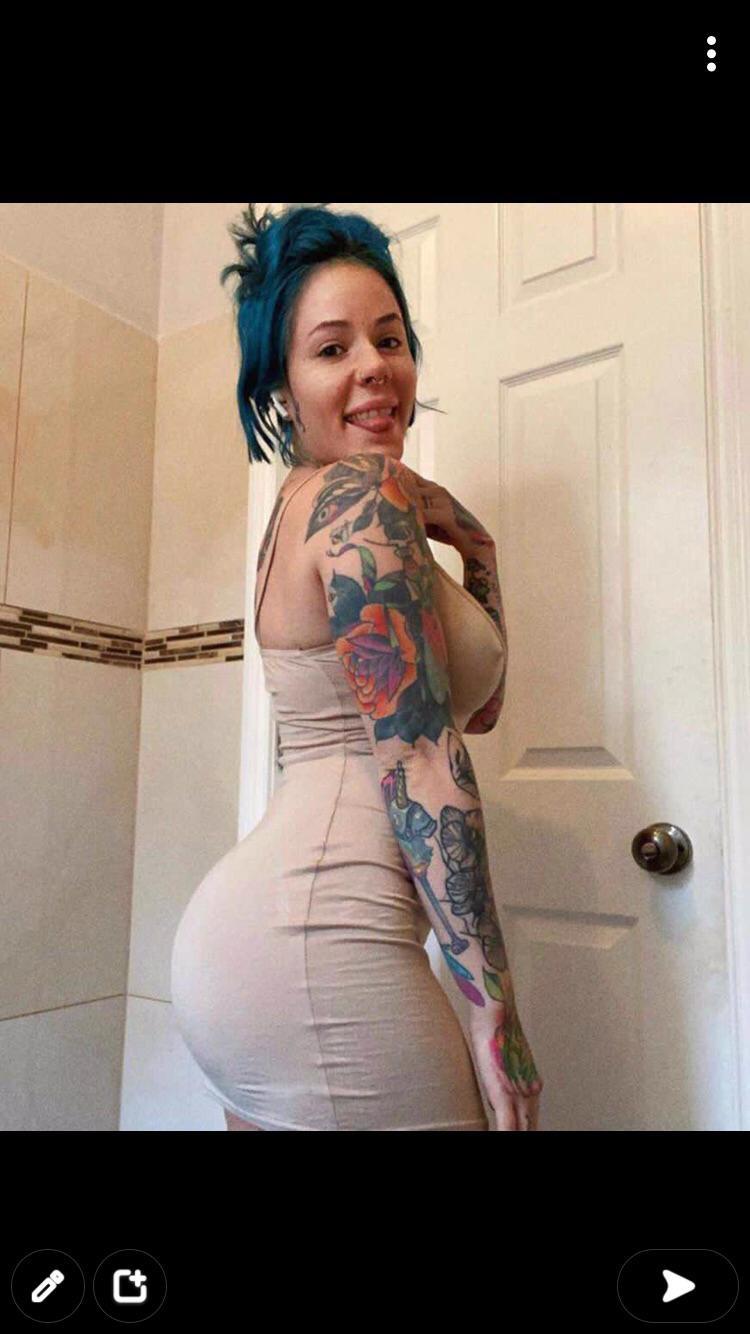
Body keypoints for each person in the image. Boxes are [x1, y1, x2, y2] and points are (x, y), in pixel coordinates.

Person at [170, 204, 544, 1131]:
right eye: (332, 348)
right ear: (282, 387)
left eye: (390, 337)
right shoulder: (358, 497)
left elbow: (481, 710)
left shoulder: (301, 511)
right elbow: (422, 759)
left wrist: (478, 544)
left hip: (260, 952)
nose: (375, 365)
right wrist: (495, 1017)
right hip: (320, 949)